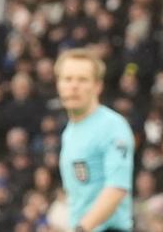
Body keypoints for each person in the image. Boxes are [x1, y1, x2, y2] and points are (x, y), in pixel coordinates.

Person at [56, 47, 135, 232]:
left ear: (98, 86)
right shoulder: (69, 132)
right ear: (58, 84)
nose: (74, 86)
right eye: (67, 79)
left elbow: (116, 188)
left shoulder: (112, 126)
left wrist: (82, 228)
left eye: (82, 79)